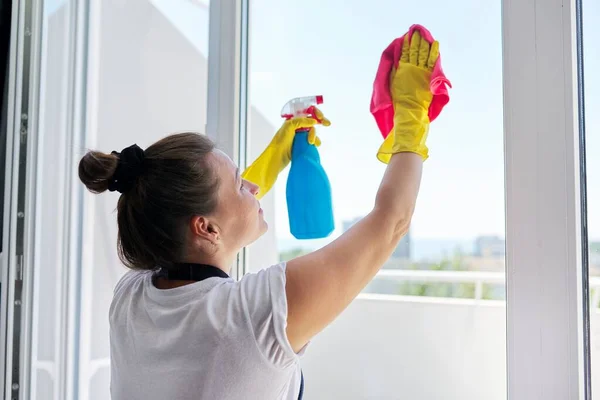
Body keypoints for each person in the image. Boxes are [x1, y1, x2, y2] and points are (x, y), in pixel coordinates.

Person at [78, 32, 440, 400]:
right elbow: (391, 220)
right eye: (240, 184)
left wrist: (273, 159)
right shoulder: (254, 316)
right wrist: (411, 115)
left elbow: (189, 213)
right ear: (204, 228)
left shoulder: (131, 297)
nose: (252, 187)